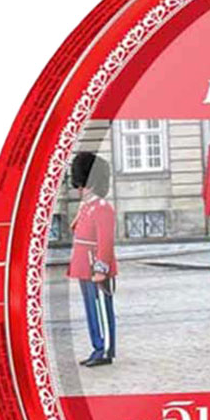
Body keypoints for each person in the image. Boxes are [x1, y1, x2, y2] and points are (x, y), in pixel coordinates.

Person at [68, 151, 117, 367]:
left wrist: (101, 269)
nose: (80, 189)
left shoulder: (103, 208)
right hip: (83, 265)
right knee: (91, 309)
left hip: (95, 265)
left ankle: (105, 350)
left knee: (101, 309)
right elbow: (76, 230)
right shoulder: (88, 207)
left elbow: (105, 241)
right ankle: (97, 346)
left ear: (93, 184)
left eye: (84, 185)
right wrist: (81, 211)